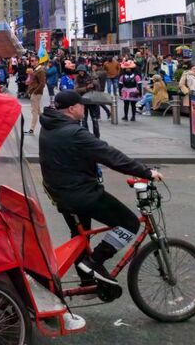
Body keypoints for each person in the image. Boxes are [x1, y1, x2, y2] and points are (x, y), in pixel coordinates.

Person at [40, 90, 162, 288]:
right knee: (129, 223)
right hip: (80, 194)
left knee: (80, 237)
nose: (84, 108)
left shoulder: (50, 125)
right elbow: (110, 155)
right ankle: (95, 262)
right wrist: (146, 172)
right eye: (82, 105)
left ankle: (87, 282)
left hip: (60, 192)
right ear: (72, 109)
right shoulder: (74, 133)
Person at [26, 61, 46, 134]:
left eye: (33, 60)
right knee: (38, 111)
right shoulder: (36, 69)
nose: (32, 62)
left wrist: (35, 92)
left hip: (36, 94)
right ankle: (48, 123)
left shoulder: (40, 70)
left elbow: (42, 83)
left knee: (34, 111)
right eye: (32, 60)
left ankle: (31, 129)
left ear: (37, 61)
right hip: (34, 92)